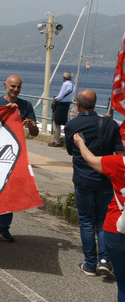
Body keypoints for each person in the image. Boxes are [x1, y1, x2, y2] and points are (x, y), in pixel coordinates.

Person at [65, 89, 121, 277]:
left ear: (78, 105)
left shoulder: (73, 125)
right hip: (105, 179)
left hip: (83, 180)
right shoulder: (109, 123)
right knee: (103, 221)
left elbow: (70, 152)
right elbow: (118, 151)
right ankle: (105, 260)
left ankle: (90, 264)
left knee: (87, 221)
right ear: (95, 104)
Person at [0, 74, 38, 243]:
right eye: (13, 86)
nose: (15, 90)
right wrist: (5, 112)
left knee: (10, 192)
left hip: (15, 156)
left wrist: (32, 126)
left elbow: (34, 133)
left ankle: (5, 229)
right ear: (5, 85)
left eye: (18, 87)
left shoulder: (26, 105)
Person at [72, 131, 125, 297]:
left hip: (116, 228)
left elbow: (91, 160)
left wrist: (81, 143)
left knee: (123, 286)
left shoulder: (118, 163)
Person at [50, 71, 76, 147]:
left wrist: (55, 99)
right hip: (66, 104)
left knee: (56, 122)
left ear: (64, 77)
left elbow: (60, 96)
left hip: (61, 104)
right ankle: (68, 140)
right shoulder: (72, 85)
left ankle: (56, 141)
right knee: (64, 122)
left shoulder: (65, 84)